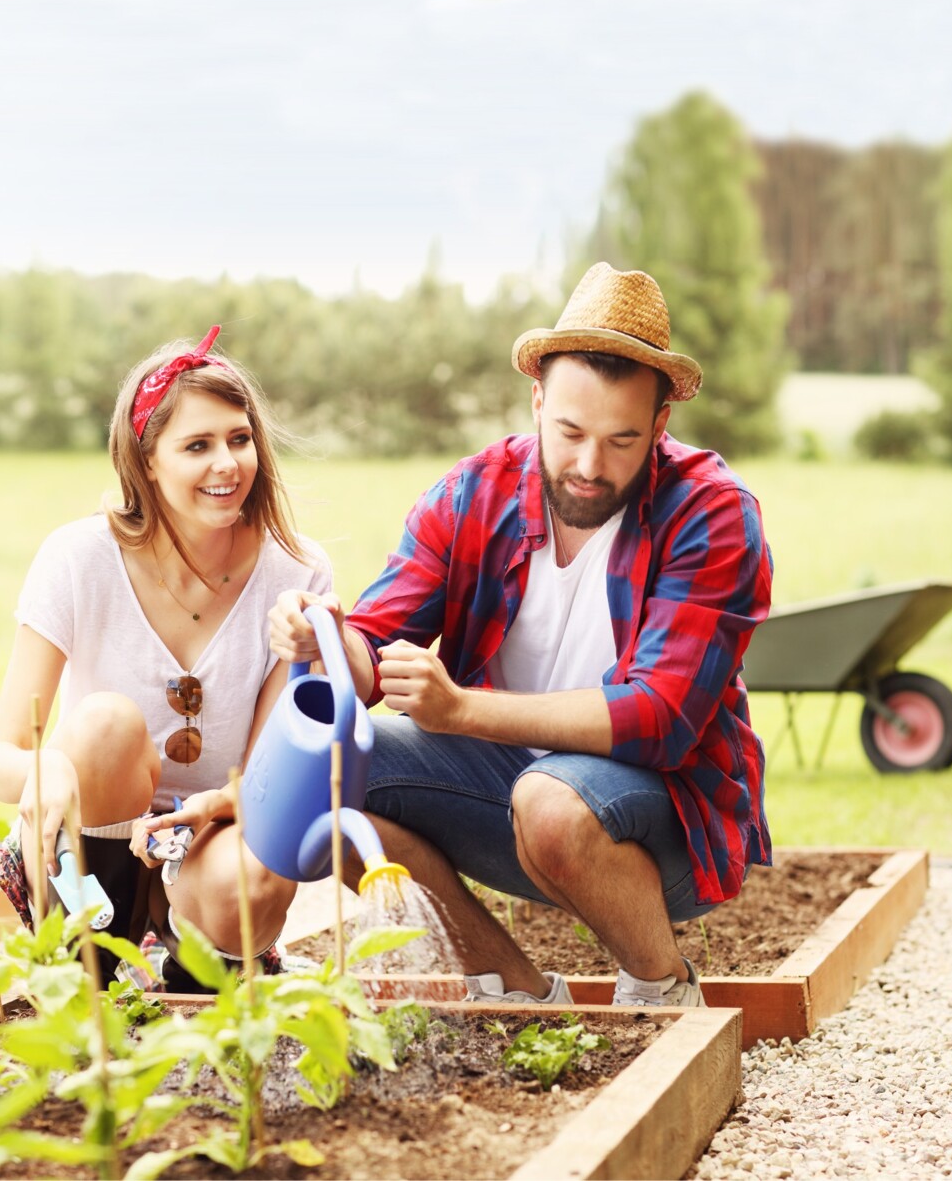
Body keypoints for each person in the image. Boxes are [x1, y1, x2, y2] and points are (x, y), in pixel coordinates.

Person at [269, 263, 774, 1007]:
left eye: (622, 440)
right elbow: (371, 652)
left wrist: (463, 710)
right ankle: (516, 990)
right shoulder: (472, 493)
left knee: (551, 802)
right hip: (503, 797)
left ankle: (662, 990)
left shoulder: (712, 513)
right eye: (569, 432)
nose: (589, 466)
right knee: (332, 782)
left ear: (661, 426)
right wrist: (324, 635)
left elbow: (660, 719)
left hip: (658, 826)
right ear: (536, 397)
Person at [0, 326, 331, 985]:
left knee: (250, 878)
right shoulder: (78, 558)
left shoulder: (298, 574)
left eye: (239, 438)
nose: (227, 464)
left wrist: (211, 811)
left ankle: (200, 993)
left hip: (212, 837)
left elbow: (264, 782)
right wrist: (44, 771)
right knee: (103, 725)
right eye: (197, 446)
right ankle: (90, 983)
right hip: (94, 832)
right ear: (147, 462)